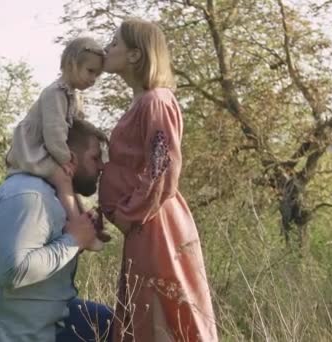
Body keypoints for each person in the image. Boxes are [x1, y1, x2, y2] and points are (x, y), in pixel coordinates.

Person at [98, 18, 218, 341]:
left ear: (136, 55)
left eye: (115, 43)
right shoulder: (143, 102)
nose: (106, 49)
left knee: (161, 312)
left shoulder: (156, 101)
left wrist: (128, 215)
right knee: (145, 312)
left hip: (155, 225)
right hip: (145, 225)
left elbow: (162, 168)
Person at [0, 119, 113, 342]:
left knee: (110, 324)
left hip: (44, 321)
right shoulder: (30, 196)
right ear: (69, 158)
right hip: (8, 334)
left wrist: (80, 234)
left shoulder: (52, 195)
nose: (101, 167)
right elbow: (14, 271)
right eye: (95, 158)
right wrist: (74, 240)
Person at [6, 37, 105, 251]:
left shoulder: (72, 96)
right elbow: (54, 132)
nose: (93, 79)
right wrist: (65, 158)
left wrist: (96, 132)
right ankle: (80, 232)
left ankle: (87, 223)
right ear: (71, 64)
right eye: (90, 71)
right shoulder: (55, 93)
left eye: (97, 74)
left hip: (50, 148)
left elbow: (77, 124)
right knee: (63, 178)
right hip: (35, 150)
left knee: (70, 183)